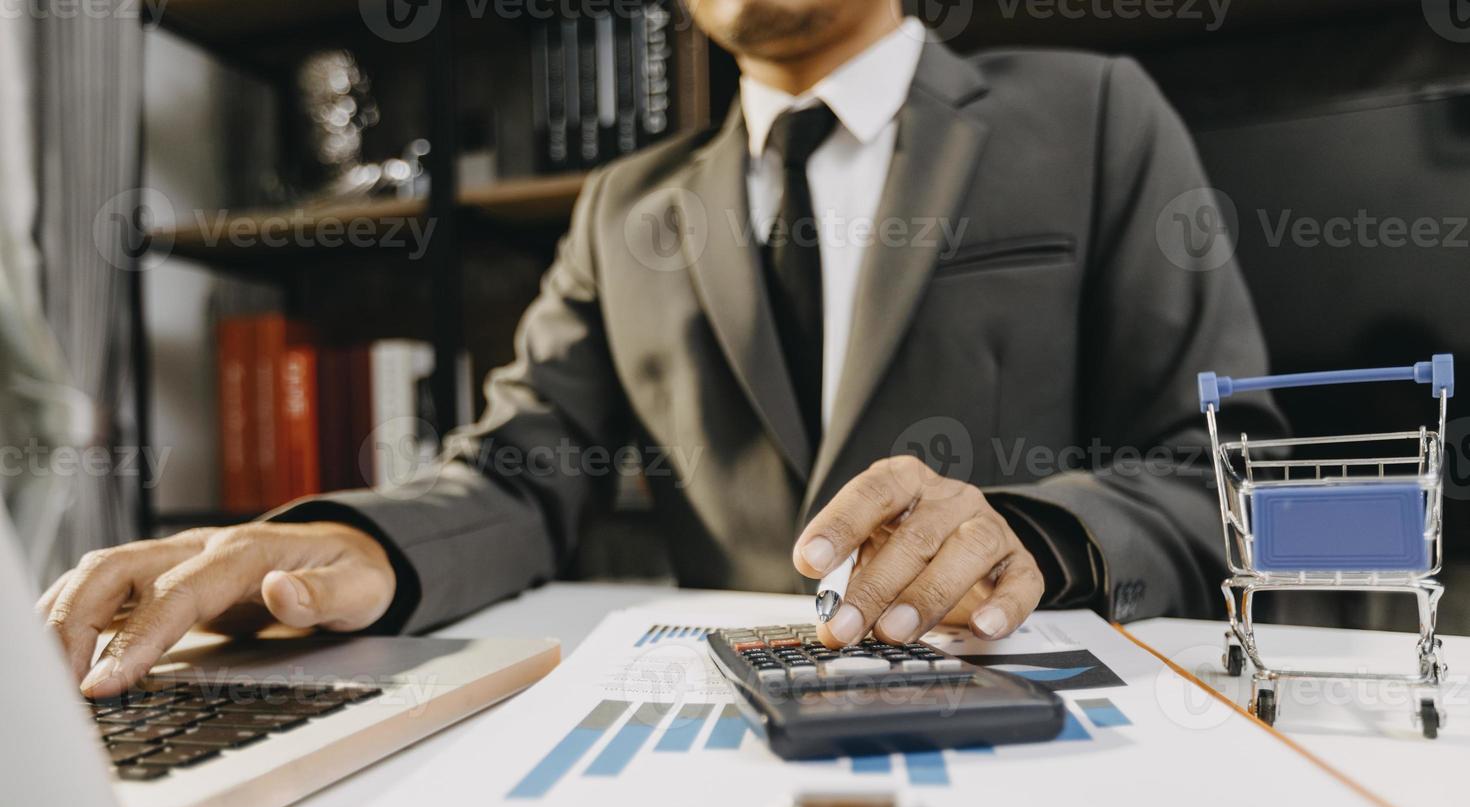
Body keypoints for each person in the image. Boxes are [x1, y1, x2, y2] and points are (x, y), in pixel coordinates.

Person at [43, 0, 1282, 698]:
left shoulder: (1094, 112)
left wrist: (1033, 531)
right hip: (724, 726)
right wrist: (362, 539)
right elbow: (518, 476)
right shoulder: (623, 207)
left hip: (1039, 710)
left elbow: (1218, 467)